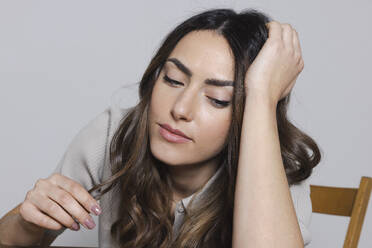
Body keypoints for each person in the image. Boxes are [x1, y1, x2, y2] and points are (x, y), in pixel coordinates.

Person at [0, 8, 321, 248]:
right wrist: (29, 224)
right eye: (172, 79)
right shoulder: (114, 134)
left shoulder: (275, 168)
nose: (180, 109)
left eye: (218, 99)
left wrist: (263, 96)